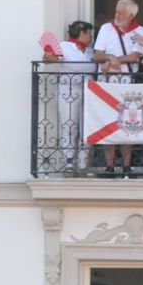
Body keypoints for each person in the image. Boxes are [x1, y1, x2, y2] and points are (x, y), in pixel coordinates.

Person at [93, 0, 143, 177]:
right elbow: (97, 55)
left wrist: (114, 60)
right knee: (107, 121)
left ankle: (126, 165)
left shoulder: (141, 31)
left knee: (128, 122)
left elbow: (134, 57)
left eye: (121, 13)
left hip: (128, 83)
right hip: (106, 82)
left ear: (131, 15)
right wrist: (109, 57)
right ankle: (109, 166)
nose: (117, 15)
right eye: (116, 11)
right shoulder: (106, 29)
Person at [48, 19, 97, 173]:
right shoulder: (64, 46)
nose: (91, 37)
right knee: (69, 125)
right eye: (90, 33)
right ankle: (69, 161)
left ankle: (83, 163)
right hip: (68, 90)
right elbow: (51, 58)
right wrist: (48, 56)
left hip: (88, 91)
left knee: (86, 127)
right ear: (82, 33)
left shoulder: (91, 51)